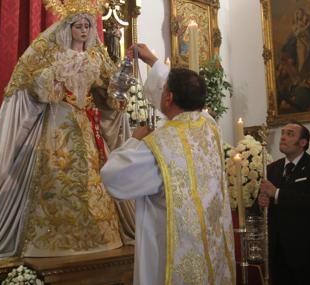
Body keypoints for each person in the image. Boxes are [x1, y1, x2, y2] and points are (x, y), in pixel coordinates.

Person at [0, 0, 135, 261]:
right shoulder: (50, 52)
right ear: (67, 28)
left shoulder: (97, 56)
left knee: (92, 182)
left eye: (88, 25)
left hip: (85, 126)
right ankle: (50, 241)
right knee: (57, 177)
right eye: (78, 25)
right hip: (56, 126)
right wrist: (56, 75)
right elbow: (29, 84)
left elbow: (108, 94)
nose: (84, 30)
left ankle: (98, 237)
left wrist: (118, 88)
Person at [100, 44, 235, 285]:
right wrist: (152, 60)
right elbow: (184, 94)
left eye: (164, 90)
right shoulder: (209, 126)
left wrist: (134, 138)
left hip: (171, 254)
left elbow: (113, 176)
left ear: (169, 97)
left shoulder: (158, 145)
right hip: (208, 251)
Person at [258, 122, 310, 285]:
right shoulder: (272, 168)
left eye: (290, 134)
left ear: (303, 142)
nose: (283, 137)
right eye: (283, 133)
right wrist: (261, 202)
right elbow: (263, 205)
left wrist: (277, 193)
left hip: (308, 250)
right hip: (279, 250)